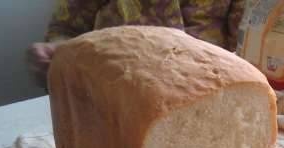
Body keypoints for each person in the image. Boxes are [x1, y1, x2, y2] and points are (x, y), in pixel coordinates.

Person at [27, 0, 245, 88]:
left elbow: (250, 46)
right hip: (110, 94)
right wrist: (54, 54)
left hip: (208, 90)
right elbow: (65, 30)